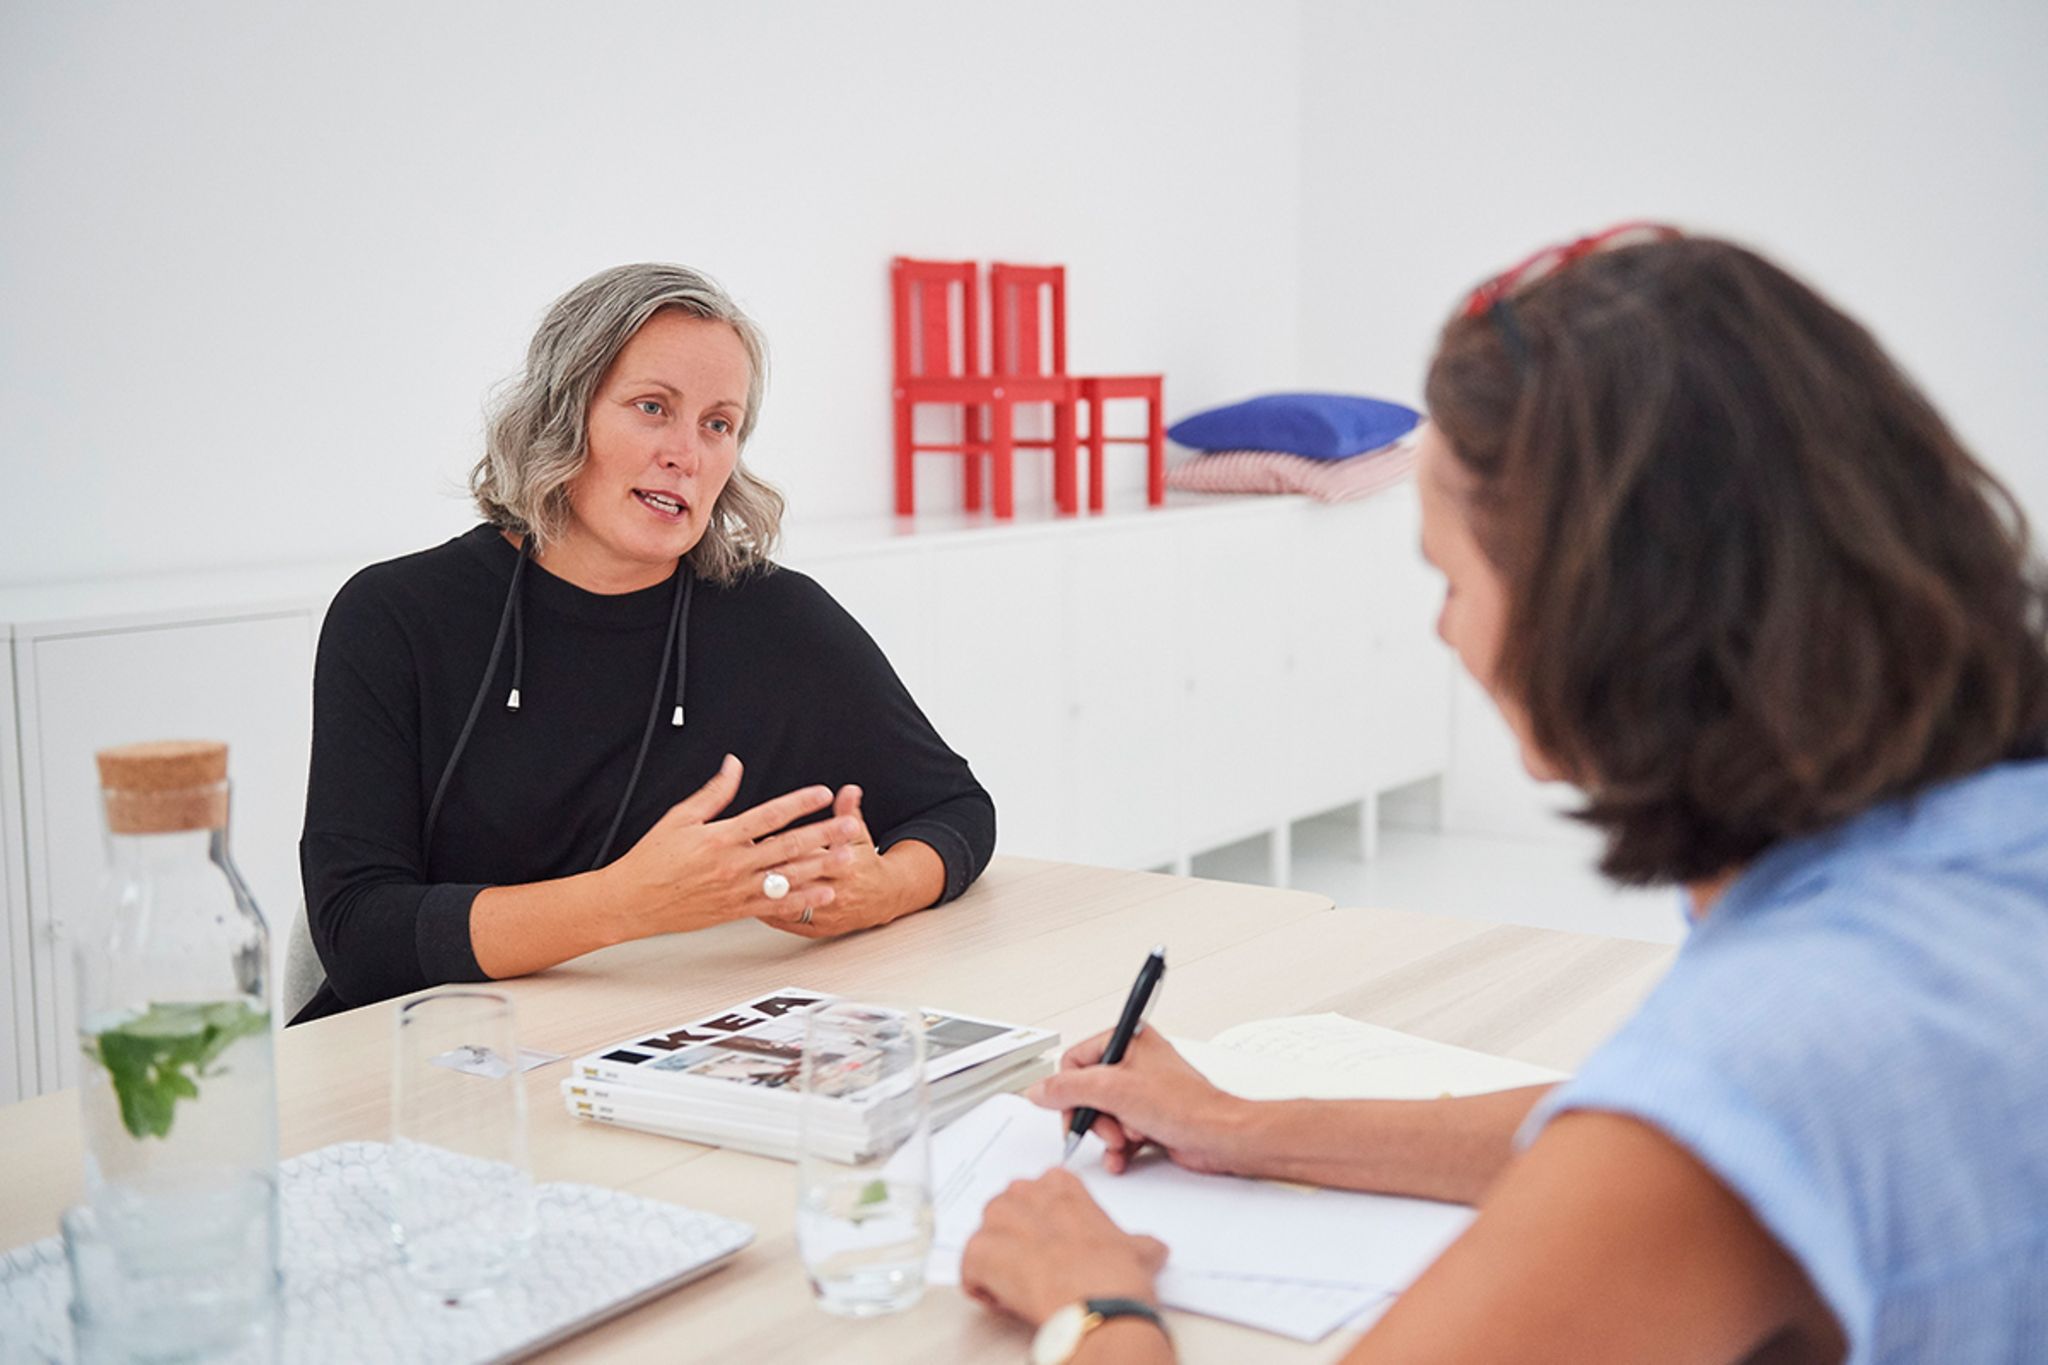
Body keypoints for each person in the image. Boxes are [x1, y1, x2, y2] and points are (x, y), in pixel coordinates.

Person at [960, 226, 2048, 1364]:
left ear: (1599, 607)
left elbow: (1671, 1143)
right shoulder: (1977, 847)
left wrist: (1092, 1306)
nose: (1445, 630)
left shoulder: (1766, 1056)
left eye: (1451, 579)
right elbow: (1607, 1135)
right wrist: (1239, 1125)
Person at [296, 263, 995, 1022]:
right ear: (564, 415)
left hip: (647, 1036)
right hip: (422, 1049)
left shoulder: (778, 618)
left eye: (718, 424)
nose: (685, 454)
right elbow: (358, 935)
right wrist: (626, 903)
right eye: (653, 408)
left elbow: (955, 806)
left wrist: (881, 891)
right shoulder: (395, 616)